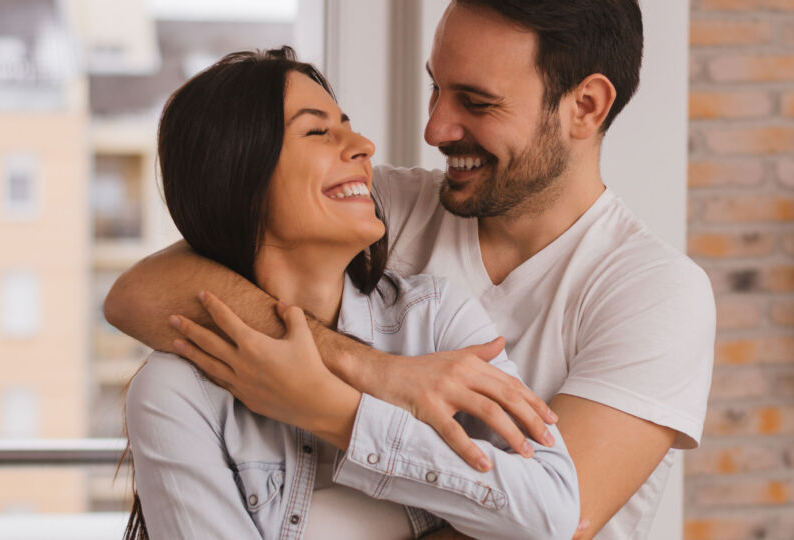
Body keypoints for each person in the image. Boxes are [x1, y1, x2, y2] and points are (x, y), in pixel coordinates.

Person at [106, 1, 715, 538]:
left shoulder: (655, 294)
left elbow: (559, 521)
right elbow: (140, 292)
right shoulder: (377, 212)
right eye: (437, 90)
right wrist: (372, 370)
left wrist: (329, 407)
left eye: (476, 102)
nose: (434, 129)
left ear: (585, 106)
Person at [123, 47, 579, 540]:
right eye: (318, 131)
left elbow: (552, 509)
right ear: (238, 174)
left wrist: (338, 413)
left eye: (348, 124)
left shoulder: (435, 319)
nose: (363, 145)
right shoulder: (177, 391)